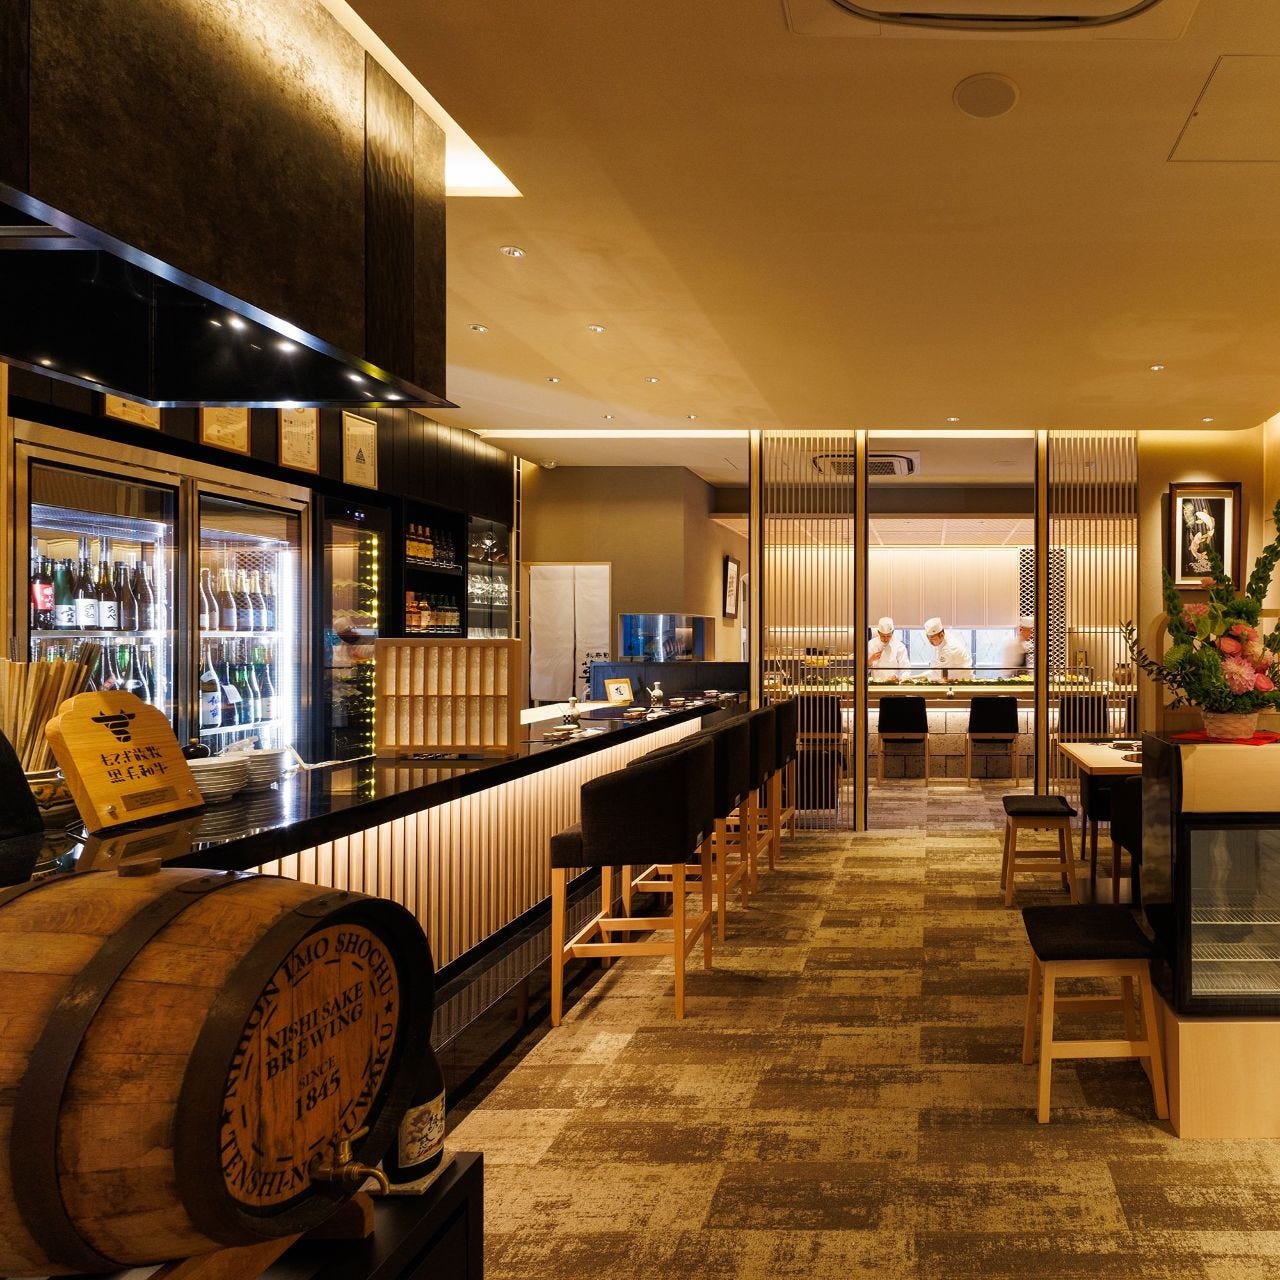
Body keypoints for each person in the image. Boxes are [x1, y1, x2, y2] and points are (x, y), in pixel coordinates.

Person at [921, 616, 971, 682]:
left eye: (932, 638)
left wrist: (913, 678)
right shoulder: (942, 639)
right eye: (928, 638)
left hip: (961, 682)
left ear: (941, 635)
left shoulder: (949, 649)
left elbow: (936, 673)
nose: (930, 642)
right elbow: (936, 668)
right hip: (951, 680)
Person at [867, 616, 910, 682]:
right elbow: (865, 671)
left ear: (893, 632)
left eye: (888, 636)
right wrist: (871, 660)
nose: (886, 639)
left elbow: (906, 669)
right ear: (878, 632)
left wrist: (900, 678)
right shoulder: (871, 644)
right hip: (876, 684)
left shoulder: (899, 646)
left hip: (894, 684)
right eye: (883, 636)